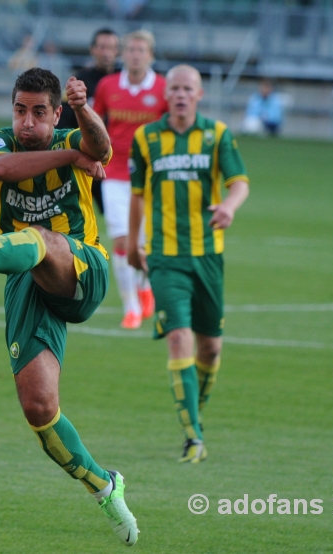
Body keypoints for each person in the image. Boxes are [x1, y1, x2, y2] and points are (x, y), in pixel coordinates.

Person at [0, 68, 139, 546]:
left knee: (40, 237)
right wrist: (72, 156)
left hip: (83, 266)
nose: (27, 122)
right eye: (21, 110)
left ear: (56, 112)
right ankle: (105, 486)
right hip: (26, 277)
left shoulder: (72, 129)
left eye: (40, 112)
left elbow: (101, 149)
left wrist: (83, 117)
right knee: (39, 408)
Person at [127, 65, 249, 463]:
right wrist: (133, 242)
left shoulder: (217, 135)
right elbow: (138, 193)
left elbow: (239, 182)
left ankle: (194, 416)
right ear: (167, 95)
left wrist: (229, 207)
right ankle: (193, 436)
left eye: (188, 89)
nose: (180, 94)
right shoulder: (146, 138)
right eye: (174, 88)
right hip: (164, 257)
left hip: (208, 255)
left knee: (211, 348)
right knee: (179, 337)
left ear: (199, 94)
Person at [93, 30, 167, 330]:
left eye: (141, 50)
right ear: (124, 54)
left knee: (144, 244)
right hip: (116, 173)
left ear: (150, 55)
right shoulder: (108, 86)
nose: (135, 54)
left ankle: (145, 284)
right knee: (122, 241)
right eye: (131, 49)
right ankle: (131, 307)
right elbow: (95, 123)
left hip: (152, 175)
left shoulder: (163, 87)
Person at [56, 28, 120, 215]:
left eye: (111, 48)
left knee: (117, 215)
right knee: (73, 214)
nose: (106, 53)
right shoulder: (79, 81)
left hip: (113, 160)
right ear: (92, 50)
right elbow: (63, 122)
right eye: (101, 47)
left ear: (118, 51)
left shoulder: (123, 82)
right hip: (82, 158)